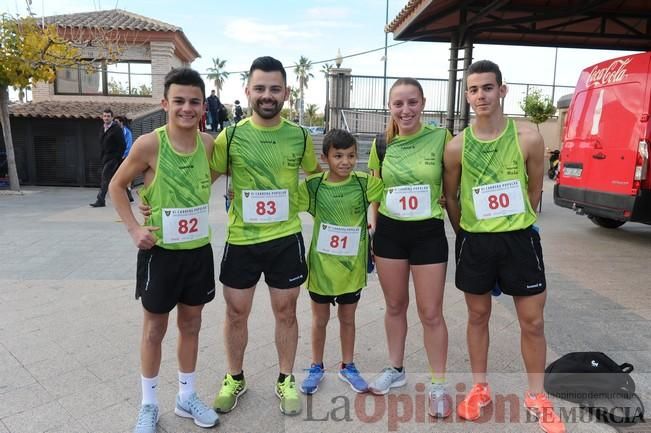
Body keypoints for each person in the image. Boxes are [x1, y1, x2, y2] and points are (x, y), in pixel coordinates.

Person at [443, 60, 565, 433]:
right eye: (474, 89)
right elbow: (451, 198)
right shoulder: (456, 146)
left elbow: (533, 190)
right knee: (478, 316)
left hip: (519, 240)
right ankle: (480, 388)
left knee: (533, 320)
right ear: (467, 95)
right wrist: (468, 233)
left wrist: (514, 223)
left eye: (487, 88)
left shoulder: (528, 137)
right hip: (476, 242)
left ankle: (536, 395)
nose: (481, 96)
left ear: (502, 90)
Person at [108, 67, 219, 433]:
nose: (187, 108)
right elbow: (117, 185)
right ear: (165, 103)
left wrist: (155, 198)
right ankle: (148, 404)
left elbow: (208, 180)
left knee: (192, 324)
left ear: (203, 105)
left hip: (198, 251)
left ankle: (186, 397)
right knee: (154, 328)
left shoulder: (208, 145)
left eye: (194, 102)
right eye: (179, 101)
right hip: (161, 253)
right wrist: (135, 227)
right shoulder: (149, 145)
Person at [209, 56, 321, 416]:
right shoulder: (233, 135)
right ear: (247, 91)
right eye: (260, 88)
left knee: (286, 311)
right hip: (242, 239)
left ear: (286, 92)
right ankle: (234, 376)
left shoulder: (301, 136)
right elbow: (204, 180)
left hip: (286, 239)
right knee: (236, 311)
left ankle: (285, 378)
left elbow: (318, 180)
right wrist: (158, 204)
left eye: (275, 89)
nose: (267, 95)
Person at [366, 77, 453, 418]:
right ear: (390, 108)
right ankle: (395, 369)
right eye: (398, 104)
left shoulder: (440, 138)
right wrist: (374, 225)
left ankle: (438, 384)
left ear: (423, 102)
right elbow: (374, 188)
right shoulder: (381, 143)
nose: (406, 110)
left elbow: (453, 181)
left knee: (430, 312)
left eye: (412, 102)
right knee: (394, 305)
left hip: (428, 233)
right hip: (390, 233)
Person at [297, 129, 383, 396]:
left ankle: (348, 365)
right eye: (338, 156)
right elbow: (286, 201)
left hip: (352, 269)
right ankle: (316, 366)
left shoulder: (363, 183)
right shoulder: (314, 186)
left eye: (351, 156)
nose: (345, 162)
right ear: (325, 158)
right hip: (321, 268)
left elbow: (392, 193)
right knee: (319, 319)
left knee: (348, 318)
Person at [90, 108, 126, 207]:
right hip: (105, 158)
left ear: (112, 118)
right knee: (119, 177)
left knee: (105, 177)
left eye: (108, 116)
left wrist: (118, 156)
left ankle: (100, 200)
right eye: (105, 116)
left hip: (113, 158)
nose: (106, 118)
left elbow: (122, 144)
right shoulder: (103, 128)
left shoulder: (116, 129)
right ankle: (129, 196)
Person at [115, 116, 134, 202]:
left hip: (125, 157)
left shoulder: (127, 132)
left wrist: (124, 155)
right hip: (117, 156)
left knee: (127, 174)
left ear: (121, 122)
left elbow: (129, 145)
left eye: (117, 122)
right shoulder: (114, 131)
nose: (115, 124)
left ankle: (128, 190)